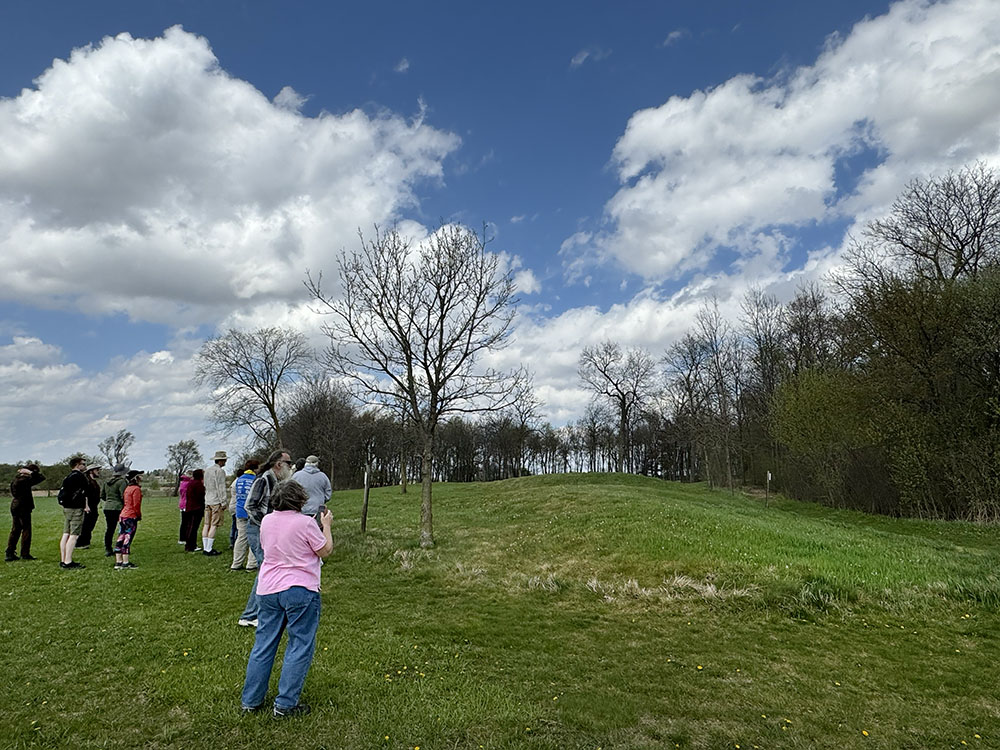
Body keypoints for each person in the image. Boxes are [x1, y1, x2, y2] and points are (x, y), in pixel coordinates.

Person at [240, 479, 333, 718]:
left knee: (264, 644)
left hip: (268, 588)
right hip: (300, 589)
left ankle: (251, 701)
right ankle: (285, 704)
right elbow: (325, 551)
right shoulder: (306, 523)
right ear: (299, 499)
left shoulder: (267, 521)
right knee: (300, 644)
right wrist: (327, 526)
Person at [237, 449, 293, 627]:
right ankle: (249, 615)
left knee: (269, 568)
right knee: (265, 570)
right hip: (257, 530)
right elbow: (250, 506)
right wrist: (267, 524)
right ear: (278, 464)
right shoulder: (264, 479)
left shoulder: (277, 480)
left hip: (267, 530)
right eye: (288, 463)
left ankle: (270, 608)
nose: (290, 467)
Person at [6, 463, 44, 562]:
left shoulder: (17, 479)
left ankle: (10, 552)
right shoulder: (25, 480)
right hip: (23, 506)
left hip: (15, 505)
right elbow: (41, 478)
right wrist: (30, 472)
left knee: (16, 529)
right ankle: (25, 553)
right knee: (26, 530)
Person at [58, 456, 91, 569]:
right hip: (76, 508)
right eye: (83, 464)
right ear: (77, 465)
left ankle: (63, 559)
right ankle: (68, 561)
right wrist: (85, 506)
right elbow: (85, 492)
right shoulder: (80, 477)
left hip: (67, 508)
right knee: (74, 535)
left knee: (65, 533)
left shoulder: (68, 477)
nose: (85, 466)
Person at [230, 459, 260, 571]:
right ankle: (251, 564)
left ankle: (236, 563)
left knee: (241, 537)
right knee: (254, 537)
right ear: (255, 468)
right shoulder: (255, 480)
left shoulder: (239, 479)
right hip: (251, 512)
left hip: (240, 511)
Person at [113, 470, 143, 569]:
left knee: (121, 536)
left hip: (123, 515)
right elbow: (136, 504)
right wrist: (138, 515)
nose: (141, 478)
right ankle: (125, 562)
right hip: (130, 516)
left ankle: (118, 561)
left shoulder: (127, 488)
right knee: (127, 538)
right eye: (139, 476)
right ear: (135, 478)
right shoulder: (136, 489)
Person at [202, 450, 229, 556]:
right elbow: (221, 487)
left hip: (208, 499)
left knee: (206, 524)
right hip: (216, 500)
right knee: (214, 525)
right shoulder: (220, 472)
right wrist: (223, 501)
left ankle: (206, 547)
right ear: (221, 461)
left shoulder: (207, 470)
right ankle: (209, 548)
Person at [101, 465, 128, 557]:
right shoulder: (122, 482)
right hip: (118, 507)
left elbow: (103, 495)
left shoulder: (106, 482)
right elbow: (123, 496)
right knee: (123, 528)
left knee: (110, 529)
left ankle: (108, 548)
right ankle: (122, 547)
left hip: (107, 507)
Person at [76, 464, 102, 549]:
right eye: (96, 470)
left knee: (90, 524)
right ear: (91, 471)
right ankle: (80, 543)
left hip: (94, 506)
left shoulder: (93, 481)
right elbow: (85, 495)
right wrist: (86, 506)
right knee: (86, 525)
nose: (98, 472)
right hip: (88, 507)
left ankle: (86, 542)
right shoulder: (87, 481)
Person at [182, 469, 206, 552]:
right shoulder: (198, 484)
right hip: (196, 508)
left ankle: (190, 545)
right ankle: (191, 546)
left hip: (190, 507)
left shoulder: (191, 483)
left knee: (190, 527)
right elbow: (201, 497)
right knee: (193, 528)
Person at [177, 473, 192, 544]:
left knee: (183, 522)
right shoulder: (188, 484)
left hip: (182, 504)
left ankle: (182, 538)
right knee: (187, 522)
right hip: (186, 504)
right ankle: (184, 538)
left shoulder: (182, 483)